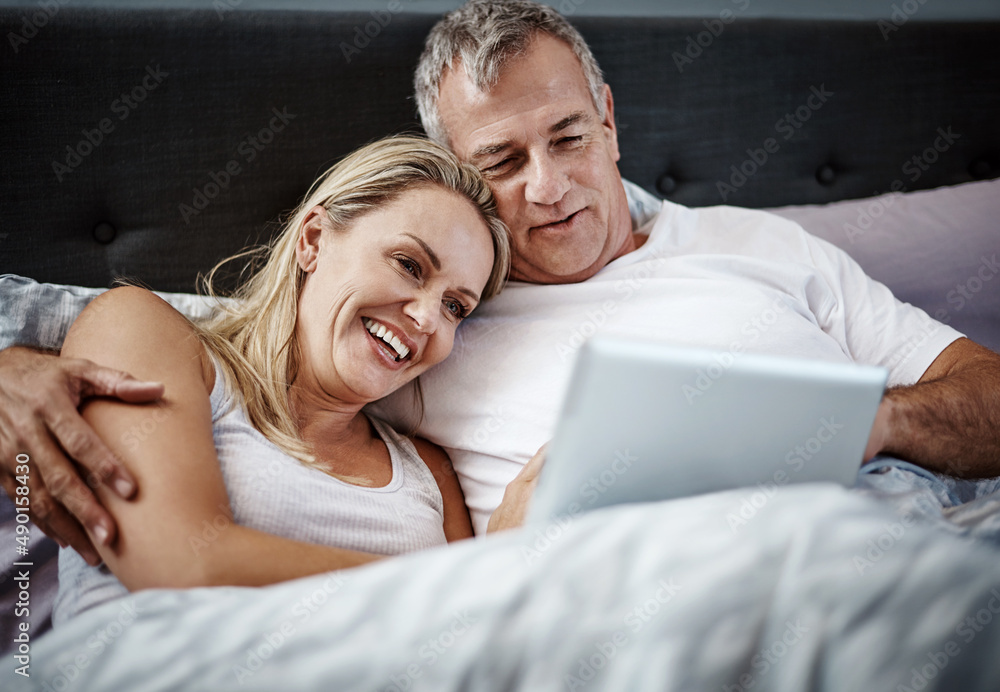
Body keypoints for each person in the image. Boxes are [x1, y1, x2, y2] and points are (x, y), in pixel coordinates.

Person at [2, 0, 999, 542]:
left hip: (898, 533)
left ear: (608, 117)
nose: (548, 188)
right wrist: (8, 355)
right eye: (502, 164)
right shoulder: (432, 312)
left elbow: (983, 397)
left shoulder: (763, 246)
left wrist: (862, 421)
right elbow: (245, 345)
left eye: (567, 137)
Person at [40, 135, 511, 622]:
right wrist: (477, 582)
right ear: (313, 240)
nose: (428, 318)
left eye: (455, 306)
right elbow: (181, 567)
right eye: (409, 265)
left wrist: (497, 571)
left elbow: (471, 639)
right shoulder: (142, 330)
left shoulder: (429, 474)